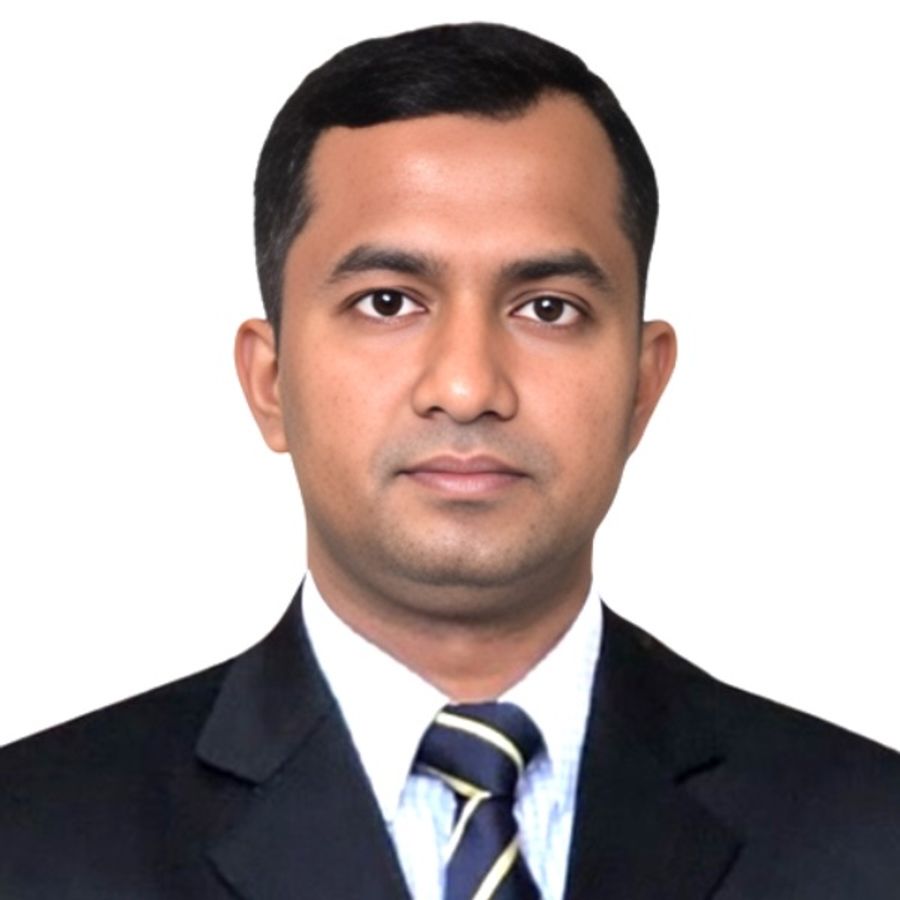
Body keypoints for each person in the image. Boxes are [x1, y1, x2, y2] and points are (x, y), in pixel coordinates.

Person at [1, 21, 898, 900]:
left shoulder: (872, 834)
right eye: (388, 302)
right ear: (270, 382)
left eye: (547, 308)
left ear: (642, 384)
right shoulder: (32, 840)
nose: (467, 388)